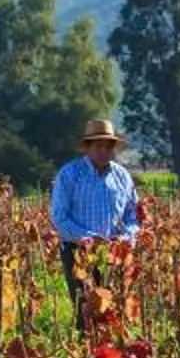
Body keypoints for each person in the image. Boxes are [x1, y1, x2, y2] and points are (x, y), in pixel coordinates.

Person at [47, 116, 140, 329]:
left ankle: (108, 357)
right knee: (86, 312)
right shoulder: (70, 174)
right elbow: (59, 217)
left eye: (108, 147)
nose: (104, 151)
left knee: (112, 312)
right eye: (99, 146)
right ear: (87, 147)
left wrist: (127, 237)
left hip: (113, 253)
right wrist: (87, 237)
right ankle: (85, 354)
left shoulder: (122, 177)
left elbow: (132, 215)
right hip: (78, 252)